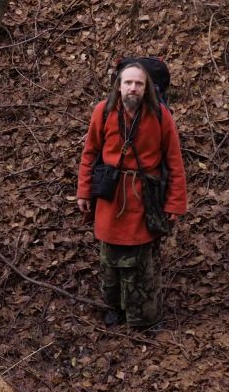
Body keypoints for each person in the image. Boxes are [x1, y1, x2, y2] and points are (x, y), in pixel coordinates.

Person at [76, 58, 188, 329]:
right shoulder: (102, 112)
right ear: (119, 86)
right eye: (128, 83)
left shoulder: (161, 116)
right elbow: (90, 153)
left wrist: (175, 203)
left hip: (144, 197)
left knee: (141, 259)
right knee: (109, 259)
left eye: (139, 83)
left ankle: (142, 318)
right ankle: (113, 307)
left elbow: (174, 161)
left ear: (146, 87)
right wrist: (83, 191)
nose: (133, 88)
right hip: (110, 196)